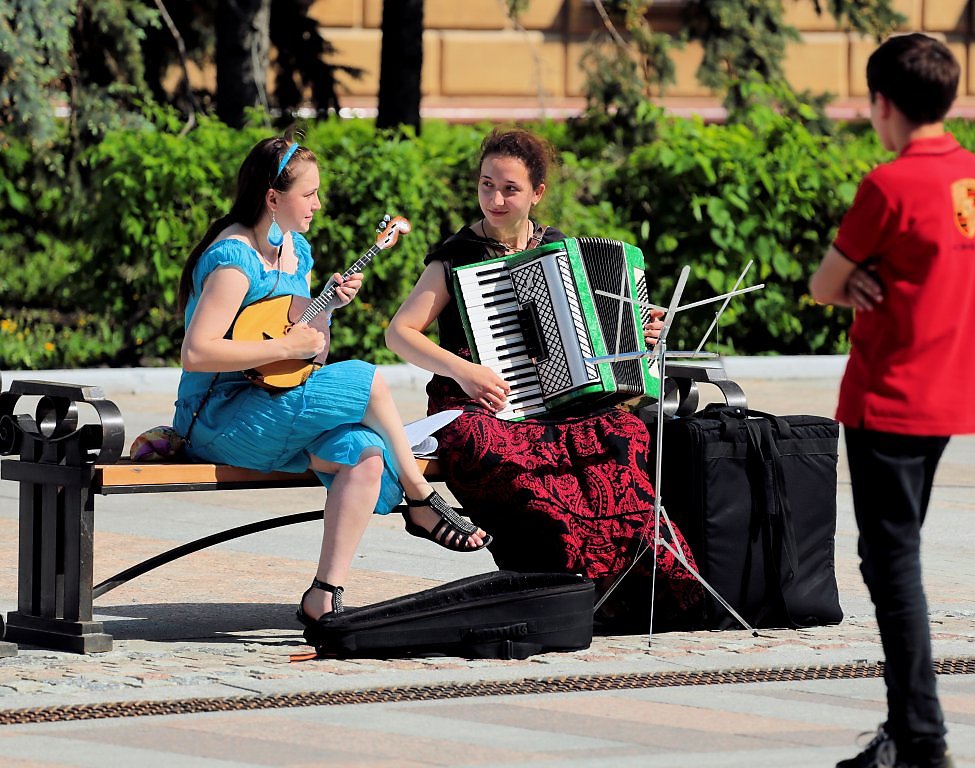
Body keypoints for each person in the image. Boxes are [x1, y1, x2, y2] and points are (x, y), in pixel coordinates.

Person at [386, 127, 703, 629]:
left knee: (620, 435)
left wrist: (640, 327)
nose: (494, 198)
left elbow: (597, 339)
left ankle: (626, 595)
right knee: (494, 447)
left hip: (558, 398)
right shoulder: (457, 254)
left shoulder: (559, 250)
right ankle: (553, 590)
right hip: (477, 393)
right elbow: (399, 333)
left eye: (509, 189)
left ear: (536, 193)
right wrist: (463, 369)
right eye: (486, 184)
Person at [173, 135, 492, 629]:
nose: (317, 205)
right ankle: (419, 497)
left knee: (364, 451)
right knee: (366, 378)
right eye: (308, 194)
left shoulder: (294, 250)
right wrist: (285, 347)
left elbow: (308, 350)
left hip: (273, 404)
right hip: (220, 417)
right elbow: (196, 354)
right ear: (272, 197)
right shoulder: (235, 259)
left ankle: (323, 594)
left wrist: (326, 312)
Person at [809, 34, 975, 768]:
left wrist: (851, 281)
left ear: (884, 105)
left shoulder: (889, 183)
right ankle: (906, 733)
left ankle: (920, 737)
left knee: (892, 567)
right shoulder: (971, 174)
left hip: (890, 397)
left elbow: (826, 282)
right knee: (895, 557)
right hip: (950, 394)